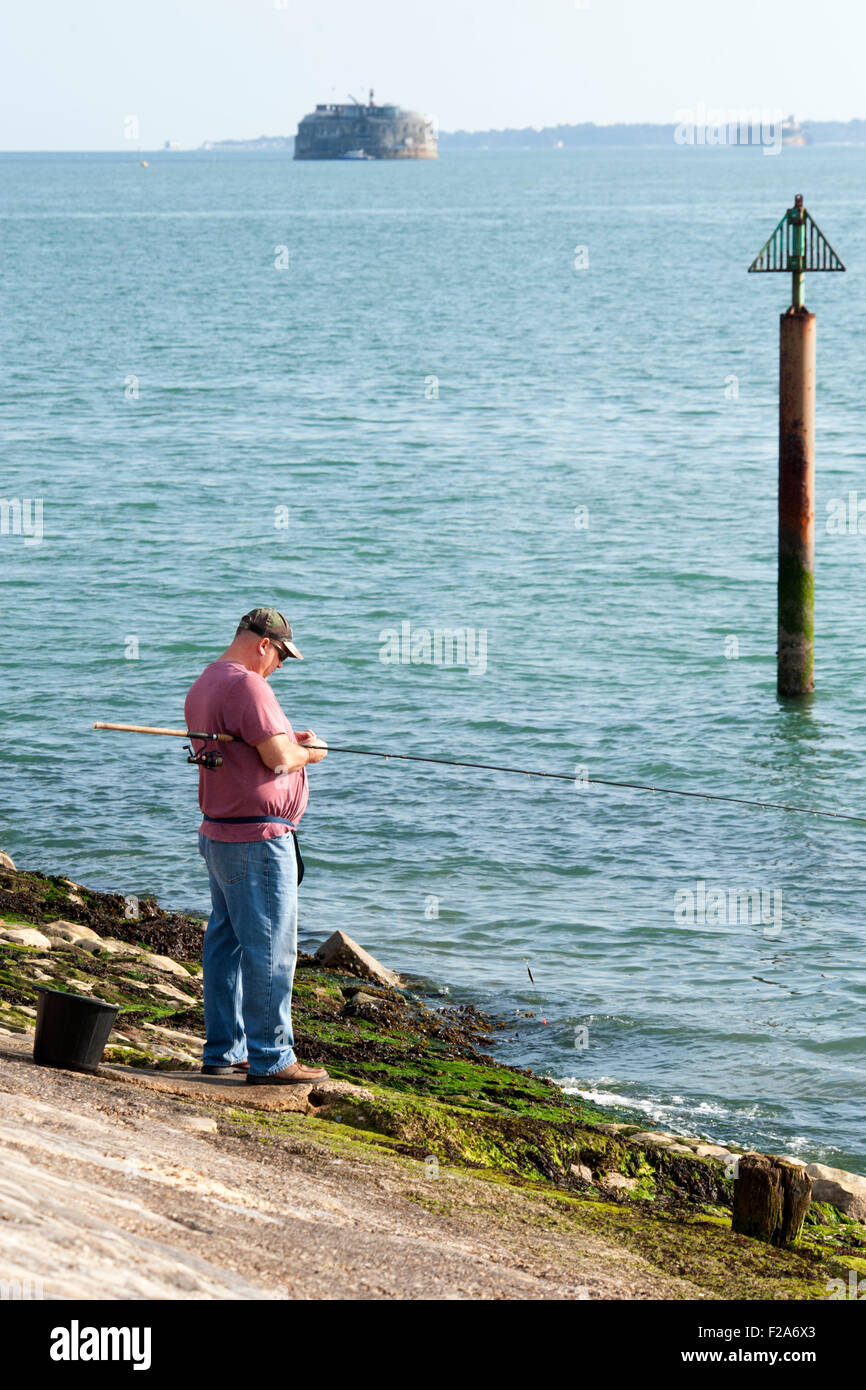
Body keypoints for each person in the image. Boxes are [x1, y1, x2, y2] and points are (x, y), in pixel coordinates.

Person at [184, 607, 329, 1085]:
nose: (282, 665)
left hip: (219, 832)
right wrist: (312, 750)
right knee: (271, 949)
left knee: (225, 943)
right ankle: (272, 1058)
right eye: (282, 654)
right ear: (264, 643)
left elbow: (255, 746)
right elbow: (278, 759)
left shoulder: (207, 681)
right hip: (257, 839)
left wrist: (289, 740)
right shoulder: (249, 684)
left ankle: (225, 1050)